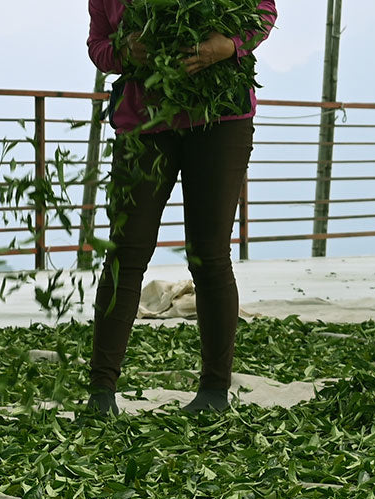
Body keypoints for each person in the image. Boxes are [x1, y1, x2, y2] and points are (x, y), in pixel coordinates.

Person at [85, 0, 278, 414]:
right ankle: (101, 392)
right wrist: (124, 52)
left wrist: (226, 46)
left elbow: (263, 11)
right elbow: (97, 45)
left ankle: (213, 392)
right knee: (126, 251)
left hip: (219, 119)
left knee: (208, 255)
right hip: (144, 124)